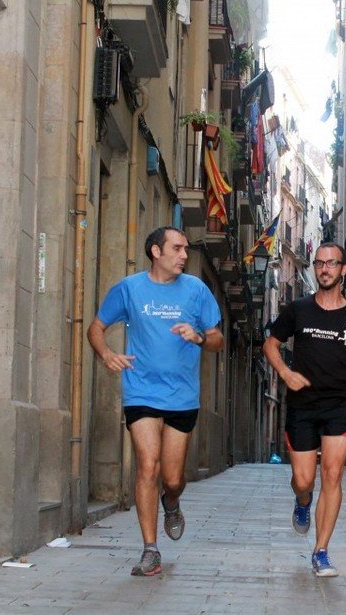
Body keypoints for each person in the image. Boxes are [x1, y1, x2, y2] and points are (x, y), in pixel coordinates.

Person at [88, 226, 223, 577]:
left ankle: (172, 501)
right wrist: (107, 355)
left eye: (185, 250)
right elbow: (96, 328)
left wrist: (198, 337)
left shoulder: (196, 291)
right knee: (147, 466)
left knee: (173, 477)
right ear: (155, 252)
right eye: (177, 248)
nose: (184, 255)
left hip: (182, 397)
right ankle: (150, 549)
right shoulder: (130, 288)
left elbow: (217, 339)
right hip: (142, 392)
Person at [262, 242, 346, 577]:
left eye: (332, 263)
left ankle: (321, 550)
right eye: (319, 264)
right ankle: (302, 502)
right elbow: (270, 344)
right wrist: (285, 374)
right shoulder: (298, 309)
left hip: (339, 405)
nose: (325, 269)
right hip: (302, 406)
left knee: (332, 474)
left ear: (344, 269)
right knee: (303, 480)